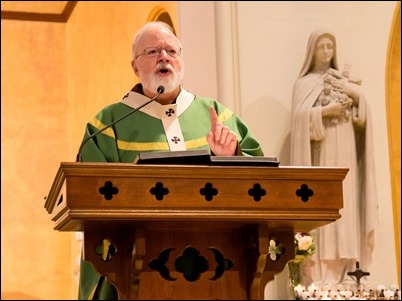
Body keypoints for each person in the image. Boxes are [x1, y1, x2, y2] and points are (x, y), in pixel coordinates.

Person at [77, 21, 264, 299]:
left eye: (171, 51)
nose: (164, 57)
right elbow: (88, 196)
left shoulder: (217, 115)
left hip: (219, 264)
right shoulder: (107, 124)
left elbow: (265, 177)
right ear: (135, 67)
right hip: (134, 266)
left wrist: (233, 156)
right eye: (153, 51)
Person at [289, 29, 379, 287]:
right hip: (323, 153)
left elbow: (363, 119)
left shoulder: (343, 81)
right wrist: (326, 111)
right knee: (327, 206)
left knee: (347, 205)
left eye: (331, 47)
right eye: (322, 47)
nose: (327, 52)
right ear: (312, 51)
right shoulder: (304, 84)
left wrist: (354, 96)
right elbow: (299, 120)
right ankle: (322, 274)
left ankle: (349, 271)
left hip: (347, 150)